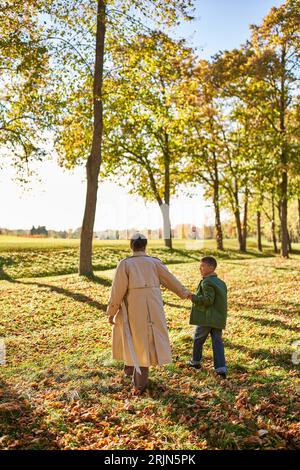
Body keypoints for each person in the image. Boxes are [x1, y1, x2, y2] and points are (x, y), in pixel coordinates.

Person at [106, 233, 190, 393]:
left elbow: (117, 290)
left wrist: (112, 312)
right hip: (153, 307)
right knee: (143, 340)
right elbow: (171, 280)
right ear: (145, 245)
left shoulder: (125, 264)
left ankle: (138, 383)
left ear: (131, 246)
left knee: (135, 338)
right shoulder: (154, 262)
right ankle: (130, 372)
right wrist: (185, 293)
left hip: (133, 307)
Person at [187, 256, 228, 379]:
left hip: (206, 318)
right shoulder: (221, 283)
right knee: (217, 342)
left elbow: (208, 301)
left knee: (198, 339)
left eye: (202, 266)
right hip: (218, 318)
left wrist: (192, 297)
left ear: (211, 268)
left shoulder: (207, 282)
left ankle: (195, 362)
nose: (200, 268)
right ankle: (221, 369)